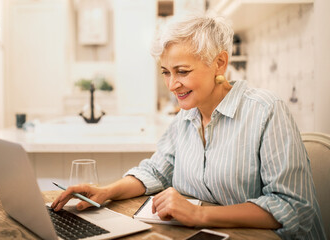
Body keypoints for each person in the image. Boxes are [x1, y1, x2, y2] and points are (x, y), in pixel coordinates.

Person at [52, 12, 326, 239]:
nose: (172, 85)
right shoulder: (185, 118)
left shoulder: (266, 110)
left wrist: (198, 214)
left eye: (182, 71)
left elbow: (294, 208)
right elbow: (156, 170)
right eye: (166, 73)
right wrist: (106, 191)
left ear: (219, 63)